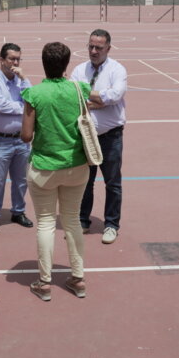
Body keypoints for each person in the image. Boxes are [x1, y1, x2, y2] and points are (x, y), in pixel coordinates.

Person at [21, 42, 91, 301]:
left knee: (46, 223)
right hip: (76, 165)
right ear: (66, 64)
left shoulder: (34, 94)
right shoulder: (79, 89)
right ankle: (78, 278)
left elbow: (26, 135)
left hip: (44, 167)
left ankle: (45, 282)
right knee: (72, 221)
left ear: (43, 63)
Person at [70, 29, 126, 245]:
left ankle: (111, 224)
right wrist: (99, 100)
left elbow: (115, 95)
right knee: (85, 181)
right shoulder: (79, 69)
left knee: (112, 182)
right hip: (85, 135)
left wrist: (87, 95)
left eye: (98, 48)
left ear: (108, 49)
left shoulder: (117, 70)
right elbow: (72, 96)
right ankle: (83, 221)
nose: (93, 51)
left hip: (111, 137)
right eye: (91, 46)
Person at [0, 43, 34, 234]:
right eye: (11, 58)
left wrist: (25, 78)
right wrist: (24, 108)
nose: (15, 62)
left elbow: (33, 98)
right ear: (2, 60)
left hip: (21, 139)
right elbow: (2, 106)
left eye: (18, 59)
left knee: (21, 180)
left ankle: (18, 211)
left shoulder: (21, 81)